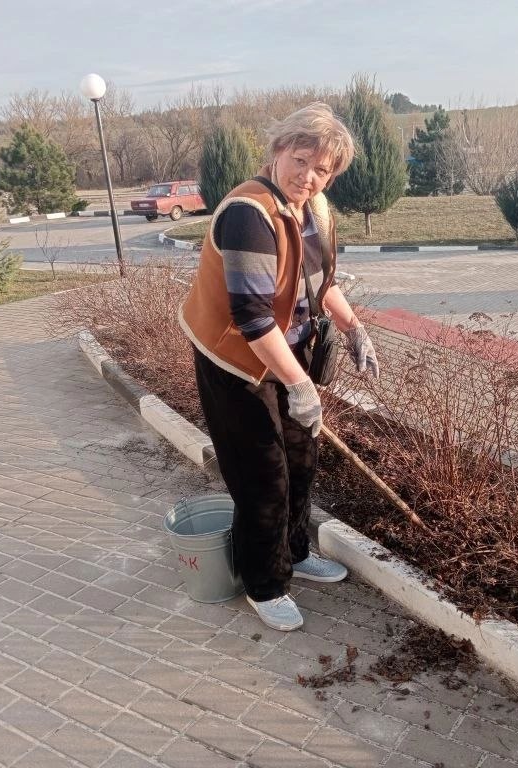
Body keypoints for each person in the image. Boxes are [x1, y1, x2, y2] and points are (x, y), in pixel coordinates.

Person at [179, 103, 380, 631]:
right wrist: (298, 384)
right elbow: (251, 316)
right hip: (238, 363)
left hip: (286, 355)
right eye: (300, 160)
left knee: (301, 459)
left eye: (322, 170)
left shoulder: (315, 210)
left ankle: (293, 551)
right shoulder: (250, 213)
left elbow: (321, 283)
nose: (308, 177)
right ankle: (264, 584)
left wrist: (355, 327)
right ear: (277, 150)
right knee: (261, 474)